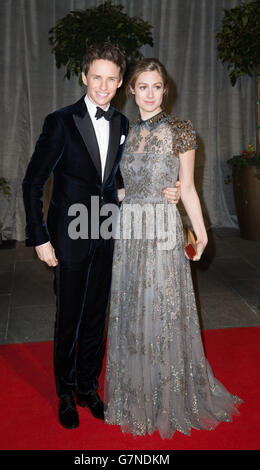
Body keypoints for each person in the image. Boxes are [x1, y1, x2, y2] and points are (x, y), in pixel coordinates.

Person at [22, 44, 181, 430]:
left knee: (96, 316)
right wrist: (40, 238)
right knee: (69, 316)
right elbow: (33, 182)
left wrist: (166, 190)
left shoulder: (124, 125)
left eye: (112, 79)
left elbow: (118, 184)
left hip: (108, 233)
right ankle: (65, 393)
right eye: (97, 77)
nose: (104, 86)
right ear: (84, 77)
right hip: (68, 235)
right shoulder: (60, 121)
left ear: (120, 82)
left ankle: (87, 388)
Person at [104, 58, 242, 439]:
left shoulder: (180, 130)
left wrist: (201, 232)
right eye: (142, 86)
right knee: (133, 308)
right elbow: (125, 188)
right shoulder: (126, 132)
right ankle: (136, 390)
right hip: (130, 229)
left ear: (166, 89)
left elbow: (189, 188)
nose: (150, 94)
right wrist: (99, 197)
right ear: (130, 90)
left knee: (161, 306)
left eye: (157, 86)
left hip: (163, 229)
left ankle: (168, 393)